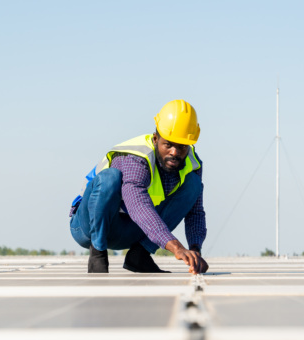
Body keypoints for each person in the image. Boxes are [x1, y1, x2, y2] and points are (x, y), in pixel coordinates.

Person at [69, 100, 210, 274]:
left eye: (181, 146)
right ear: (156, 138)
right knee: (110, 178)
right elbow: (138, 205)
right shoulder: (136, 158)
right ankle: (98, 255)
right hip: (87, 228)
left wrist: (195, 251)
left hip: (127, 230)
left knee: (193, 185)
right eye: (168, 144)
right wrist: (175, 246)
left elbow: (195, 211)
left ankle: (139, 256)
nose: (174, 152)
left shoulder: (193, 164)